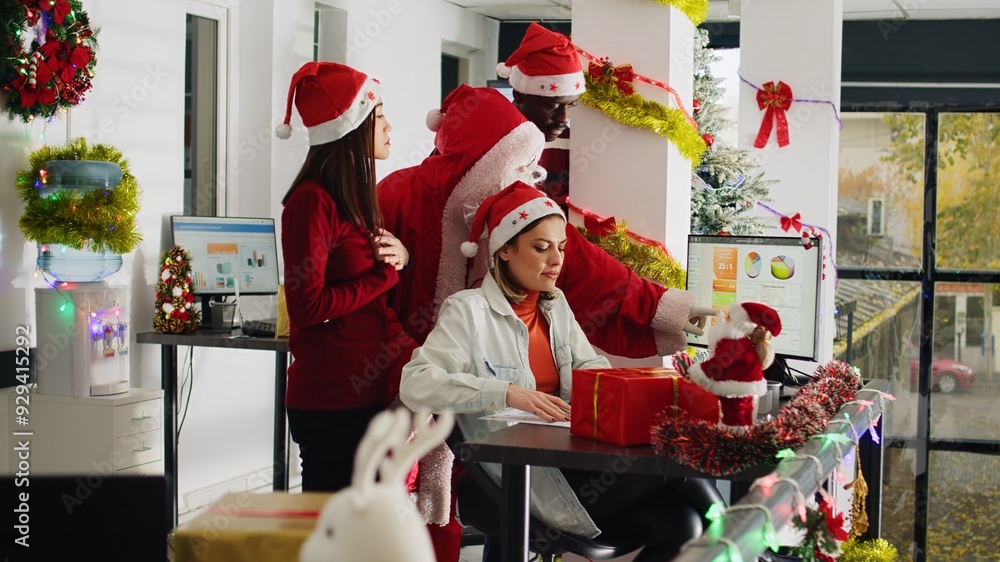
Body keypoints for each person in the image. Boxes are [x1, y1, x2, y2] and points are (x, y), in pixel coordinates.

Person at [378, 84, 712, 561]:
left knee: (681, 520)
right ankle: (755, 529)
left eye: (561, 248)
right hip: (508, 468)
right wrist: (508, 393)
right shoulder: (467, 309)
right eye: (542, 249)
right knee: (681, 474)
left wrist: (645, 392)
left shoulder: (554, 304)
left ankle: (741, 531)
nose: (557, 260)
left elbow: (599, 303)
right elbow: (418, 376)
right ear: (504, 249)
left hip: (555, 456)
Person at [277, 61, 416, 492]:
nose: (390, 126)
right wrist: (385, 277)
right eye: (379, 117)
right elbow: (307, 308)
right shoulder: (311, 202)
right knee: (333, 534)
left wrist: (402, 258)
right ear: (351, 127)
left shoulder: (352, 195)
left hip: (365, 391)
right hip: (331, 400)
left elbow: (371, 272)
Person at [498, 22, 583, 206]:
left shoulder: (571, 143)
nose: (564, 118)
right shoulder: (485, 137)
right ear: (519, 95)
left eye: (571, 105)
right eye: (552, 105)